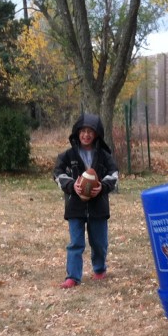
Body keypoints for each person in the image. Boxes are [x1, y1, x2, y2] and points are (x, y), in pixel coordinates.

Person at [52, 113, 119, 288]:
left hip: (98, 207)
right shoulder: (67, 156)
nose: (86, 135)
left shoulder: (104, 156)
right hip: (75, 207)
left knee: (99, 242)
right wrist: (71, 186)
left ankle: (99, 268)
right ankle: (72, 276)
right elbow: (58, 173)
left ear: (97, 134)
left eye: (90, 131)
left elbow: (114, 175)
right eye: (83, 131)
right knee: (75, 243)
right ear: (77, 133)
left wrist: (102, 187)